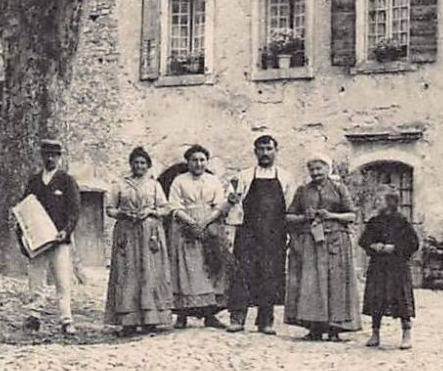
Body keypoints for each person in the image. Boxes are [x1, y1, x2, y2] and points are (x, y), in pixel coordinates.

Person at [225, 134, 298, 334]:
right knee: (241, 274)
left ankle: (265, 321)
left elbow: (291, 207)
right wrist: (230, 202)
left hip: (274, 234)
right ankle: (237, 318)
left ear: (276, 151)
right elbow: (233, 203)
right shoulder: (244, 176)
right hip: (247, 233)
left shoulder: (285, 177)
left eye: (269, 149)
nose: (265, 153)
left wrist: (290, 234)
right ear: (255, 151)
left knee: (270, 275)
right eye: (261, 149)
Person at [285, 155, 360, 341]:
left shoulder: (338, 188)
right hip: (310, 242)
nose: (316, 173)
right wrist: (304, 217)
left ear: (328, 169)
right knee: (312, 286)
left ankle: (335, 329)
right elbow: (288, 216)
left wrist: (331, 215)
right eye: (312, 169)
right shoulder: (303, 191)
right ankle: (315, 328)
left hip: (336, 241)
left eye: (319, 168)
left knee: (336, 284)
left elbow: (351, 215)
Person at [104, 147, 173, 336]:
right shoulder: (120, 185)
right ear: (131, 164)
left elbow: (166, 208)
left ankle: (151, 319)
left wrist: (150, 212)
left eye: (143, 163)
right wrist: (122, 213)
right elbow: (109, 208)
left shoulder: (154, 186)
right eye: (136, 162)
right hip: (127, 232)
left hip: (149, 233)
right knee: (128, 274)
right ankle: (128, 321)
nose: (139, 166)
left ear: (148, 165)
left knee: (150, 273)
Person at [165, 144, 230, 329]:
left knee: (209, 269)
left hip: (209, 226)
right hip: (184, 228)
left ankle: (210, 315)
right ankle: (182, 315)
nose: (198, 164)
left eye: (202, 160)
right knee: (186, 271)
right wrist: (191, 223)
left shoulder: (213, 181)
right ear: (188, 162)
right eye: (194, 160)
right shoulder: (179, 181)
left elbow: (219, 205)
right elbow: (174, 206)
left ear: (206, 162)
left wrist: (205, 223)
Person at [21, 138, 81, 336]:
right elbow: (25, 209)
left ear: (59, 157)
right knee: (36, 279)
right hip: (38, 240)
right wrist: (24, 235)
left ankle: (66, 319)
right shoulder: (34, 181)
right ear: (41, 157)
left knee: (62, 280)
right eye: (46, 155)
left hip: (59, 239)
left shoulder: (66, 180)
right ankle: (34, 316)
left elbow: (74, 210)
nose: (50, 158)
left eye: (53, 155)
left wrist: (66, 230)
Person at [361, 190, 420, 349]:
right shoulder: (374, 221)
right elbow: (364, 240)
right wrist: (374, 246)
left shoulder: (402, 222)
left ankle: (406, 333)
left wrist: (394, 248)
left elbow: (413, 243)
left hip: (397, 267)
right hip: (378, 266)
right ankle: (375, 333)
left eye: (380, 200)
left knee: (401, 299)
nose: (377, 203)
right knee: (376, 299)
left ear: (391, 202)